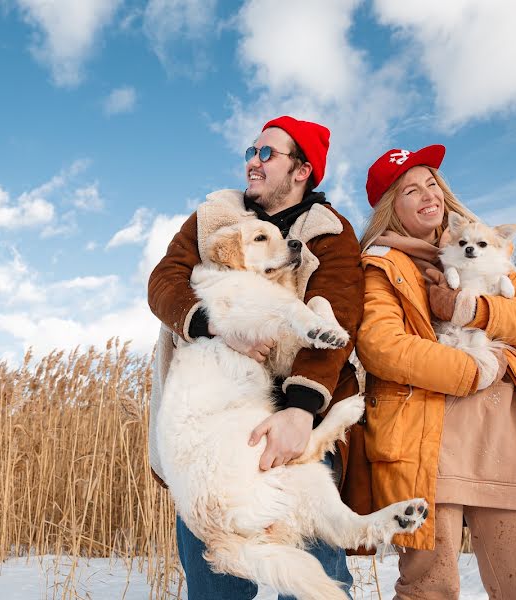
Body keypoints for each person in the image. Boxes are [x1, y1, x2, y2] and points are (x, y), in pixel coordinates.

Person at [353, 144, 516, 599]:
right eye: (410, 190)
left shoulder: (486, 250)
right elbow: (381, 347)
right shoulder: (381, 265)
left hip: (506, 433)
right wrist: (474, 370)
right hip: (425, 440)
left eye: (432, 183)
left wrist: (473, 309)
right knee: (431, 588)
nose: (427, 195)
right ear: (393, 207)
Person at [147, 116, 364, 599]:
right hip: (207, 429)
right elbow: (164, 283)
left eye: (267, 154)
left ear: (302, 170)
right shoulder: (213, 218)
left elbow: (337, 320)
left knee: (312, 578)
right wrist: (214, 325)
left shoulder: (330, 232)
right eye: (251, 150)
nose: (252, 162)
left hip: (292, 421)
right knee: (215, 582)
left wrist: (300, 410)